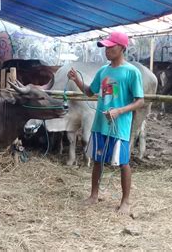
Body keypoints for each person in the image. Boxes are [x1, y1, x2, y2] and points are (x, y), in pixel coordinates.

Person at [67, 31, 144, 215]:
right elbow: (89, 92)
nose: (106, 50)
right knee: (97, 160)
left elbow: (140, 101)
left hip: (120, 127)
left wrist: (120, 111)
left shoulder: (132, 72)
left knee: (124, 163)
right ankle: (94, 195)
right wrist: (76, 79)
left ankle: (125, 201)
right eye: (105, 47)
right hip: (101, 123)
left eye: (111, 47)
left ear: (122, 48)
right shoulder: (103, 71)